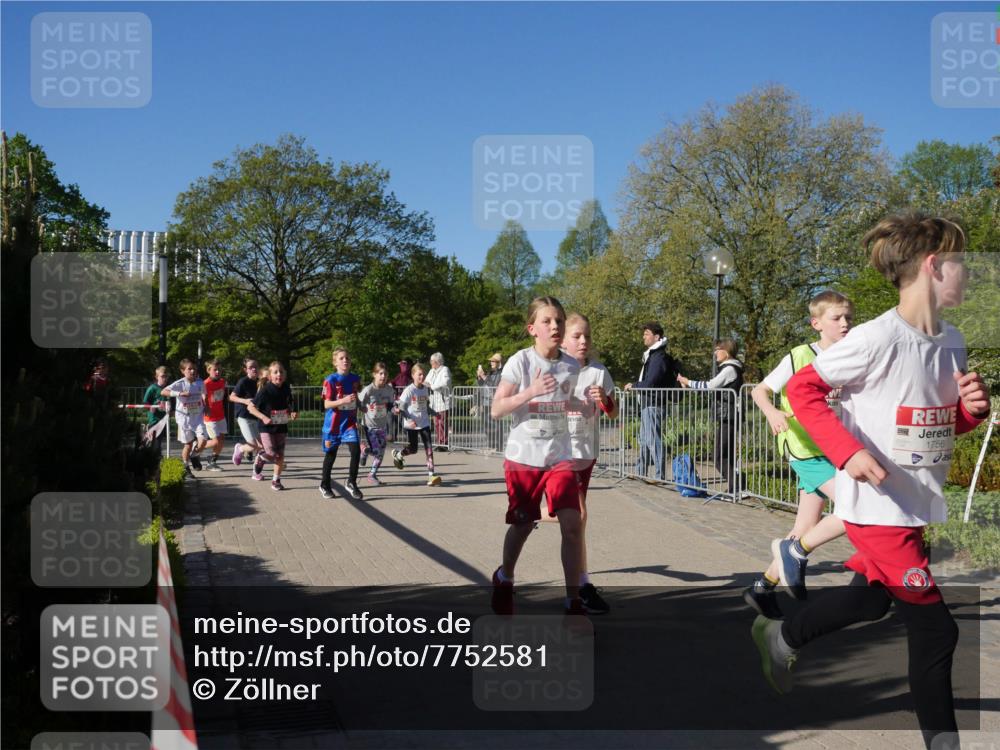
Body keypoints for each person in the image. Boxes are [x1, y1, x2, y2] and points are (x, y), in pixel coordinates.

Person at [752, 213, 989, 750]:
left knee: (870, 602)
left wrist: (973, 412)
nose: (968, 273)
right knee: (936, 630)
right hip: (874, 508)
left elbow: (934, 423)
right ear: (933, 267)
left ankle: (781, 635)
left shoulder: (951, 339)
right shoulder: (874, 337)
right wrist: (847, 451)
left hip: (912, 504)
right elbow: (802, 392)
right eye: (961, 263)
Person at [744, 291, 854, 618]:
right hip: (804, 449)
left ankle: (762, 588)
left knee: (806, 524)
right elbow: (759, 390)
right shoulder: (800, 356)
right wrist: (773, 413)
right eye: (837, 318)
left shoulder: (853, 356)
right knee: (854, 507)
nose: (845, 324)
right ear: (816, 323)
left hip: (836, 448)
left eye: (849, 317)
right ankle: (794, 552)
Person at [489, 296, 585, 616]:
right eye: (547, 321)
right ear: (533, 329)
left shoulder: (571, 365)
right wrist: (530, 392)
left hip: (559, 456)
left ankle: (573, 602)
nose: (555, 326)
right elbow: (497, 409)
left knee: (572, 525)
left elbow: (570, 406)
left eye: (558, 320)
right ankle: (505, 577)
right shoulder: (521, 361)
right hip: (523, 456)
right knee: (523, 524)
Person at [564, 313, 618, 615]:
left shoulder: (599, 371)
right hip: (560, 451)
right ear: (564, 339)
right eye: (577, 336)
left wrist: (604, 401)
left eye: (587, 336)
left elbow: (612, 412)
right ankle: (580, 587)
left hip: (586, 452)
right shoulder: (555, 369)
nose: (583, 341)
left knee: (576, 520)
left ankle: (580, 585)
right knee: (579, 516)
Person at [678, 339, 744, 495]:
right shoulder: (730, 368)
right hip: (728, 416)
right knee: (724, 454)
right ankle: (737, 487)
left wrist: (688, 381)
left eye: (717, 349)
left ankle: (739, 487)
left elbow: (710, 385)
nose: (715, 353)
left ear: (726, 352)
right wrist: (689, 385)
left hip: (729, 416)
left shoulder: (730, 369)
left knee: (719, 455)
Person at [624, 322, 678, 482]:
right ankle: (640, 471)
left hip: (654, 403)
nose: (644, 336)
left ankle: (660, 476)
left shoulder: (658, 357)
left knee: (653, 440)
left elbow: (651, 382)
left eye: (647, 333)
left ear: (657, 337)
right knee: (645, 439)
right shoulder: (652, 355)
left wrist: (634, 386)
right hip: (648, 403)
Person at [319, 348, 363, 501]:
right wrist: (342, 401)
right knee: (331, 455)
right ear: (335, 362)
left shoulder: (355, 379)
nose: (345, 360)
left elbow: (355, 397)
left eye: (348, 358)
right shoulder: (330, 380)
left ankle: (351, 482)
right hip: (333, 425)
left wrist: (361, 405)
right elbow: (326, 404)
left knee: (356, 451)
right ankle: (324, 485)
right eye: (342, 358)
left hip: (349, 424)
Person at [247, 361, 298, 491]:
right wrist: (263, 417)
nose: (278, 374)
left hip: (281, 425)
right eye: (275, 372)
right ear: (270, 376)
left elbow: (290, 403)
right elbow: (251, 408)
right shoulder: (265, 390)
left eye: (281, 371)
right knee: (270, 452)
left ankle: (276, 481)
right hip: (266, 427)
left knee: (280, 455)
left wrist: (293, 412)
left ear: (285, 375)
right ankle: (261, 457)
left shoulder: (286, 387)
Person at [392, 363, 442, 486]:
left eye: (423, 374)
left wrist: (435, 413)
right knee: (413, 449)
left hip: (424, 423)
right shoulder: (409, 390)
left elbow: (426, 406)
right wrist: (409, 420)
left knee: (429, 448)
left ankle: (431, 475)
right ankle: (399, 454)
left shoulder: (425, 389)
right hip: (412, 424)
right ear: (413, 375)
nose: (422, 376)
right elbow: (402, 409)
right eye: (419, 374)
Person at [162, 359, 208, 476]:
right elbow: (164, 391)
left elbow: (203, 393)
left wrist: (205, 404)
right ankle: (185, 466)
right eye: (189, 369)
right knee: (188, 444)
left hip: (198, 417)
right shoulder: (180, 383)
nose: (192, 371)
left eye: (194, 368)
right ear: (183, 371)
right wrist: (179, 394)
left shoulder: (200, 382)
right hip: (184, 418)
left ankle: (195, 456)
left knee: (203, 441)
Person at [358, 362, 395, 486]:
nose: (383, 376)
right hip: (369, 426)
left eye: (385, 374)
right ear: (374, 374)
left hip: (382, 426)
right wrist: (361, 409)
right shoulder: (369, 390)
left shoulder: (389, 390)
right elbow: (358, 402)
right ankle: (364, 450)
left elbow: (390, 407)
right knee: (377, 450)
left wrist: (394, 409)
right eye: (380, 373)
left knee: (381, 452)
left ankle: (372, 475)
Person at [229, 358, 264, 469]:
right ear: (246, 370)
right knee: (253, 445)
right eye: (250, 367)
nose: (254, 369)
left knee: (262, 446)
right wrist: (245, 401)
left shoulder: (261, 382)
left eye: (256, 367)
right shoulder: (243, 381)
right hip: (244, 416)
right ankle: (240, 448)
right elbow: (232, 397)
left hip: (256, 416)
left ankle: (256, 471)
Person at [202, 359, 228, 472]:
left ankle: (212, 461)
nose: (217, 372)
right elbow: (203, 398)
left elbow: (224, 396)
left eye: (219, 370)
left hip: (221, 415)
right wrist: (206, 407)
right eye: (215, 370)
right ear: (209, 371)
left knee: (221, 441)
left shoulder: (222, 381)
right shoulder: (205, 383)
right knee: (215, 441)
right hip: (210, 417)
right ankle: (196, 446)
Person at [477, 353, 504, 451]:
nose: (491, 363)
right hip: (486, 402)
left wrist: (484, 376)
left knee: (496, 425)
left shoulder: (502, 373)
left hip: (496, 402)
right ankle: (491, 445)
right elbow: (482, 385)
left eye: (493, 361)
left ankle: (498, 446)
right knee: (487, 424)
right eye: (491, 361)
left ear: (499, 362)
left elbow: (494, 386)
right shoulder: (491, 372)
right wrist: (479, 377)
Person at [426, 352, 453, 450]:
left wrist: (432, 386)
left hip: (442, 400)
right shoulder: (432, 370)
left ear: (438, 361)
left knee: (442, 423)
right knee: (436, 423)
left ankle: (444, 444)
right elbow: (427, 380)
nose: (431, 363)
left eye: (432, 361)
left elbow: (445, 382)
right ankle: (439, 442)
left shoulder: (445, 369)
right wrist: (427, 384)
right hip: (434, 401)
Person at [141, 366, 170, 448]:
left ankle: (149, 447)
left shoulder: (169, 388)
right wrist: (150, 407)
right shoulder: (152, 388)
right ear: (157, 377)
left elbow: (172, 401)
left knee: (158, 440)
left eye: (166, 376)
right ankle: (153, 453)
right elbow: (145, 402)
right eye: (162, 376)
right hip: (154, 419)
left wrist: (172, 410)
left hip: (164, 418)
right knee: (156, 441)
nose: (164, 378)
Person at [390, 359, 413, 442]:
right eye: (402, 365)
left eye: (405, 365)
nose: (403, 367)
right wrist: (391, 384)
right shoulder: (399, 376)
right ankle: (394, 436)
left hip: (406, 402)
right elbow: (393, 382)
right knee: (396, 419)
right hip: (398, 400)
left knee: (404, 420)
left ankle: (409, 437)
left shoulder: (410, 376)